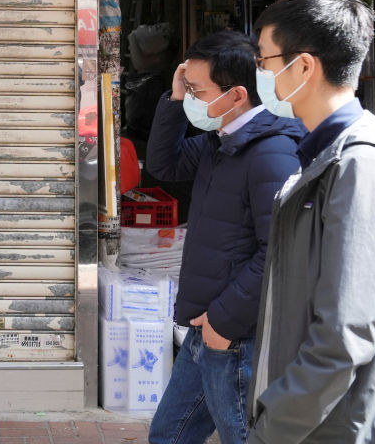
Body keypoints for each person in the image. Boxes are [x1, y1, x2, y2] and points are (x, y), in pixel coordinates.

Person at [247, 0, 375, 444]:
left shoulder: (363, 167)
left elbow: (345, 335)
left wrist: (275, 428)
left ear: (302, 66)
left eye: (264, 61)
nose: (260, 73)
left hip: (348, 428)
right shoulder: (326, 156)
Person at [143, 30, 305, 444]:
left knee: (245, 437)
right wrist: (177, 100)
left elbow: (279, 252)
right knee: (168, 436)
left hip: (233, 333)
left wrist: (223, 321)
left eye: (198, 90)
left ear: (236, 96)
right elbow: (164, 164)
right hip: (207, 324)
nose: (193, 97)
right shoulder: (222, 141)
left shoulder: (270, 154)